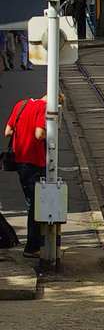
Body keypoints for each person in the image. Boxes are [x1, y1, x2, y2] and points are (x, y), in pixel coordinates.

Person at [5, 93, 47, 258]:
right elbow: (38, 134)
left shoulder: (20, 104)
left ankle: (36, 243)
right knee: (35, 206)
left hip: (19, 160)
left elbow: (8, 132)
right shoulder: (43, 108)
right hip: (34, 161)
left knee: (31, 202)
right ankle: (32, 246)